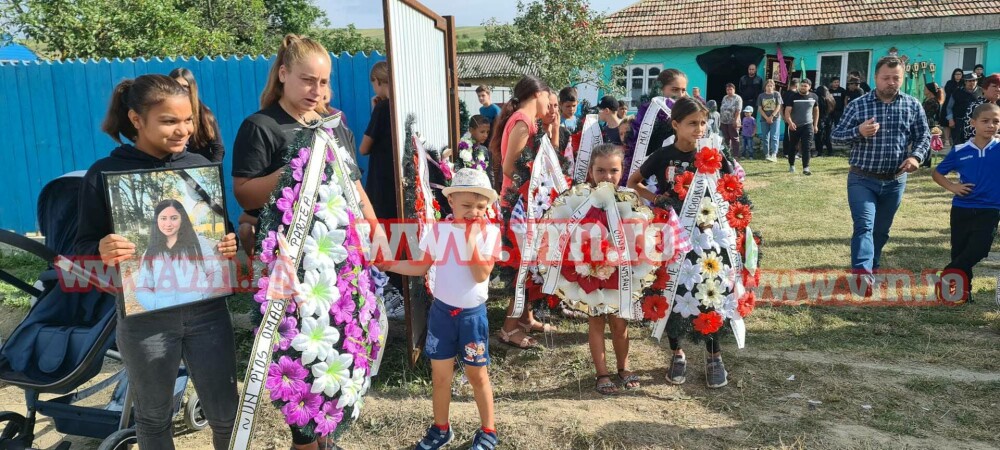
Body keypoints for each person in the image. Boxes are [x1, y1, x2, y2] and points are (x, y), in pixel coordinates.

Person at [75, 74, 239, 450]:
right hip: (144, 319)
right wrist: (101, 248)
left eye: (188, 120)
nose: (182, 130)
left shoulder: (199, 167)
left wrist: (228, 244)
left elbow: (222, 231)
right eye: (169, 121)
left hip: (208, 313)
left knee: (227, 415)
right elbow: (79, 247)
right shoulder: (104, 174)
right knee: (152, 417)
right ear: (136, 120)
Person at [230, 34, 377, 450]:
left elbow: (353, 183)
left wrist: (373, 224)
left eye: (323, 82)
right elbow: (244, 193)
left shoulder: (333, 126)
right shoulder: (261, 127)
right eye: (308, 81)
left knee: (338, 351)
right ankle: (307, 439)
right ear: (283, 76)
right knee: (301, 357)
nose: (317, 91)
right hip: (290, 267)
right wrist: (300, 164)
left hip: (340, 265)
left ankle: (326, 434)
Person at [381, 168, 501, 450]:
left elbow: (481, 274)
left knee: (477, 375)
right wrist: (389, 265)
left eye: (481, 207)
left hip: (472, 318)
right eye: (467, 206)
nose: (474, 212)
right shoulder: (439, 231)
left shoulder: (490, 234)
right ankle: (441, 428)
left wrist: (470, 239)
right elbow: (421, 266)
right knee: (440, 376)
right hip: (442, 314)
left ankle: (488, 430)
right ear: (451, 204)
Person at [627, 97, 732, 388]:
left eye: (703, 122)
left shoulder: (712, 153)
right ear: (675, 125)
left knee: (707, 289)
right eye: (692, 123)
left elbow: (730, 185)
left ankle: (714, 356)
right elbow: (634, 181)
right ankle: (677, 352)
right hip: (672, 233)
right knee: (672, 290)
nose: (699, 128)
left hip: (707, 236)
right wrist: (657, 199)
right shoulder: (663, 156)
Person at [832, 56, 930, 294]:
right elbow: (835, 139)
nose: (891, 82)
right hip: (862, 178)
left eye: (896, 78)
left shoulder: (912, 105)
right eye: (886, 78)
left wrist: (916, 157)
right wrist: (859, 131)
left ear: (902, 78)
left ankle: (872, 268)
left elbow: (924, 137)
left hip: (895, 180)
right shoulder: (858, 105)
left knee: (881, 230)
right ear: (876, 78)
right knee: (864, 225)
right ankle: (862, 276)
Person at [491, 75, 550, 348]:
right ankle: (509, 327)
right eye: (550, 98)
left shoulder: (530, 121)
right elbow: (508, 167)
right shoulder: (523, 122)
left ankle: (525, 317)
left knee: (526, 265)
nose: (551, 104)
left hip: (525, 201)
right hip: (517, 204)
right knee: (521, 267)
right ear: (539, 94)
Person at [582, 144, 643, 394]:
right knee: (596, 322)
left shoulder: (630, 199)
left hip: (621, 273)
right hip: (592, 271)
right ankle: (602, 373)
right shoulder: (582, 199)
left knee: (620, 323)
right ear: (591, 171)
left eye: (614, 170)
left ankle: (624, 367)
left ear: (623, 170)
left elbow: (641, 234)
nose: (607, 176)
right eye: (601, 170)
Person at [931, 102, 1000, 303]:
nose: (991, 125)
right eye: (985, 121)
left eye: (996, 121)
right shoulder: (960, 150)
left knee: (979, 249)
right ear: (973, 123)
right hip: (962, 208)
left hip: (990, 209)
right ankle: (962, 293)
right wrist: (953, 187)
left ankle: (948, 274)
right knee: (960, 250)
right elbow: (937, 173)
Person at [135, 199, 229, 310]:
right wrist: (157, 305)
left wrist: (202, 295)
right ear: (157, 220)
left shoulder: (198, 243)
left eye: (174, 218)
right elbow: (142, 287)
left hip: (200, 311)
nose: (168, 224)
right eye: (163, 218)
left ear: (182, 219)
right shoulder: (150, 252)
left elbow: (215, 272)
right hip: (168, 318)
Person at [360, 61, 398, 221]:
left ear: (378, 81)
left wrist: (375, 110)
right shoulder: (398, 104)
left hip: (382, 179)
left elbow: (364, 148)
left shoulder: (382, 108)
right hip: (397, 175)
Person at [169, 68, 225, 163]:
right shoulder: (163, 115)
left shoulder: (205, 114)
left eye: (185, 86)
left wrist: (212, 171)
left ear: (192, 88)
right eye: (176, 85)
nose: (181, 90)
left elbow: (218, 148)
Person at [783, 78, 819, 174]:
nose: (803, 87)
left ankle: (806, 168)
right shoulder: (793, 97)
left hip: (808, 125)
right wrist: (790, 123)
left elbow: (816, 111)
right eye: (801, 85)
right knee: (793, 147)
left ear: (809, 87)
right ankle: (791, 165)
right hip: (794, 126)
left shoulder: (814, 97)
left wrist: (815, 125)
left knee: (806, 147)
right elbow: (787, 111)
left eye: (805, 86)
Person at [960, 74, 1000, 141]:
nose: (998, 89)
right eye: (994, 86)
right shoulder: (978, 106)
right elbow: (970, 132)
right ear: (984, 89)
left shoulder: (995, 105)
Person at [947, 73, 981, 144]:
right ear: (965, 81)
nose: (972, 83)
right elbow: (949, 107)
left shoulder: (981, 92)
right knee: (957, 143)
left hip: (976, 123)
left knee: (973, 143)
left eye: (974, 80)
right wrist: (950, 119)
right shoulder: (957, 92)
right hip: (959, 122)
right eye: (969, 81)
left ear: (977, 81)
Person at [757, 79, 783, 162]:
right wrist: (766, 117)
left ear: (773, 87)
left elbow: (778, 106)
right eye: (768, 85)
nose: (769, 87)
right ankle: (766, 154)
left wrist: (771, 116)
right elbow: (760, 108)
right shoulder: (761, 96)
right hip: (764, 119)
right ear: (765, 86)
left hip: (775, 119)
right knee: (765, 137)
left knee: (774, 136)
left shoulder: (777, 94)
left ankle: (774, 154)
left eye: (771, 86)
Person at [921, 82, 944, 167]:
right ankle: (925, 161)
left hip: (929, 124)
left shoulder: (933, 102)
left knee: (928, 142)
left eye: (925, 89)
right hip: (927, 122)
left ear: (930, 91)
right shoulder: (927, 100)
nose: (924, 90)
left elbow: (927, 114)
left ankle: (927, 162)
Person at [941, 68, 965, 146]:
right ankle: (947, 139)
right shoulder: (950, 82)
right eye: (956, 74)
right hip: (948, 103)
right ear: (953, 75)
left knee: (956, 123)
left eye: (959, 74)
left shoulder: (964, 83)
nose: (958, 76)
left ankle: (953, 139)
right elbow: (948, 91)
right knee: (946, 123)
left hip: (959, 105)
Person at [719, 83, 742, 155]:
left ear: (734, 90)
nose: (729, 91)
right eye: (727, 90)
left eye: (730, 89)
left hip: (733, 121)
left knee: (734, 138)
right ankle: (727, 154)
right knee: (726, 138)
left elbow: (738, 110)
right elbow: (722, 108)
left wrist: (735, 120)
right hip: (724, 121)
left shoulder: (737, 98)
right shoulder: (725, 97)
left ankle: (736, 155)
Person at [814, 85, 836, 157]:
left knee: (819, 136)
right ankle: (830, 151)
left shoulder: (819, 99)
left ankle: (819, 151)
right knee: (827, 136)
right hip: (829, 119)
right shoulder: (830, 98)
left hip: (820, 119)